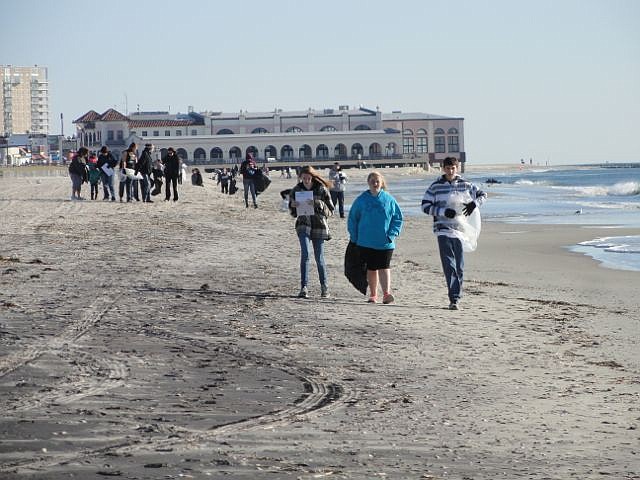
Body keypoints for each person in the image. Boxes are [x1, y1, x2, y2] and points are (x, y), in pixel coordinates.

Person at [421, 156, 487, 310]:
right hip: (442, 229)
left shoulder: (466, 185)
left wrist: (473, 204)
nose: (450, 171)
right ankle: (454, 298)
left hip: (461, 231)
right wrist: (443, 211)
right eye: (448, 168)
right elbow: (425, 206)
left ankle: (457, 296)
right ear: (443, 168)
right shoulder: (435, 187)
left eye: (453, 168)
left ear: (457, 168)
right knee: (448, 264)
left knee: (459, 266)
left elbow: (483, 195)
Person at [347, 171, 403, 304]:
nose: (375, 183)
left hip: (385, 242)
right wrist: (354, 237)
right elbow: (352, 219)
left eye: (377, 181)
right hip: (365, 241)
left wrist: (392, 234)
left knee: (384, 267)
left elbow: (398, 218)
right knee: (371, 269)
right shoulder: (361, 200)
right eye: (372, 181)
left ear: (381, 183)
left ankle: (386, 294)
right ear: (368, 182)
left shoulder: (389, 199)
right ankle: (373, 295)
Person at [289, 165, 334, 299]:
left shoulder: (321, 188)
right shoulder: (296, 190)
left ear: (312, 177)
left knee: (319, 258)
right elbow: (292, 212)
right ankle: (304, 287)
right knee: (305, 254)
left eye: (308, 177)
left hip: (319, 225)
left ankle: (324, 287)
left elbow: (331, 210)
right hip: (303, 225)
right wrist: (292, 205)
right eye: (304, 177)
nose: (306, 180)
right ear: (300, 177)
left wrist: (318, 203)